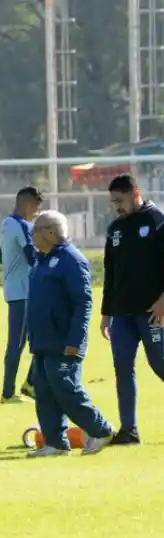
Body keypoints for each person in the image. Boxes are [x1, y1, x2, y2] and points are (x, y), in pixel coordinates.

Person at [25, 211, 114, 457]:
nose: (32, 235)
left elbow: (83, 302)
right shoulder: (42, 259)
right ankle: (55, 442)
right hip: (43, 340)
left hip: (65, 341)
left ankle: (101, 429)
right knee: (43, 391)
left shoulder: (72, 260)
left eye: (36, 230)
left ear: (51, 233)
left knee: (65, 387)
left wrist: (75, 339)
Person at [100, 174, 164, 445]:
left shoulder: (157, 221)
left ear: (135, 192)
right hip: (121, 314)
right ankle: (129, 430)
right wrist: (106, 313)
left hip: (152, 311)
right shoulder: (115, 229)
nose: (117, 206)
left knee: (160, 364)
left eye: (120, 200)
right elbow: (110, 273)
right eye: (113, 201)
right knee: (122, 368)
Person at [0, 186, 43, 403]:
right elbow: (32, 257)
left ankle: (23, 387)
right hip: (25, 293)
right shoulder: (22, 226)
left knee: (25, 341)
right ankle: (14, 391)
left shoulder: (6, 224)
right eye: (36, 207)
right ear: (27, 203)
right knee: (29, 341)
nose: (36, 212)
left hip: (14, 289)